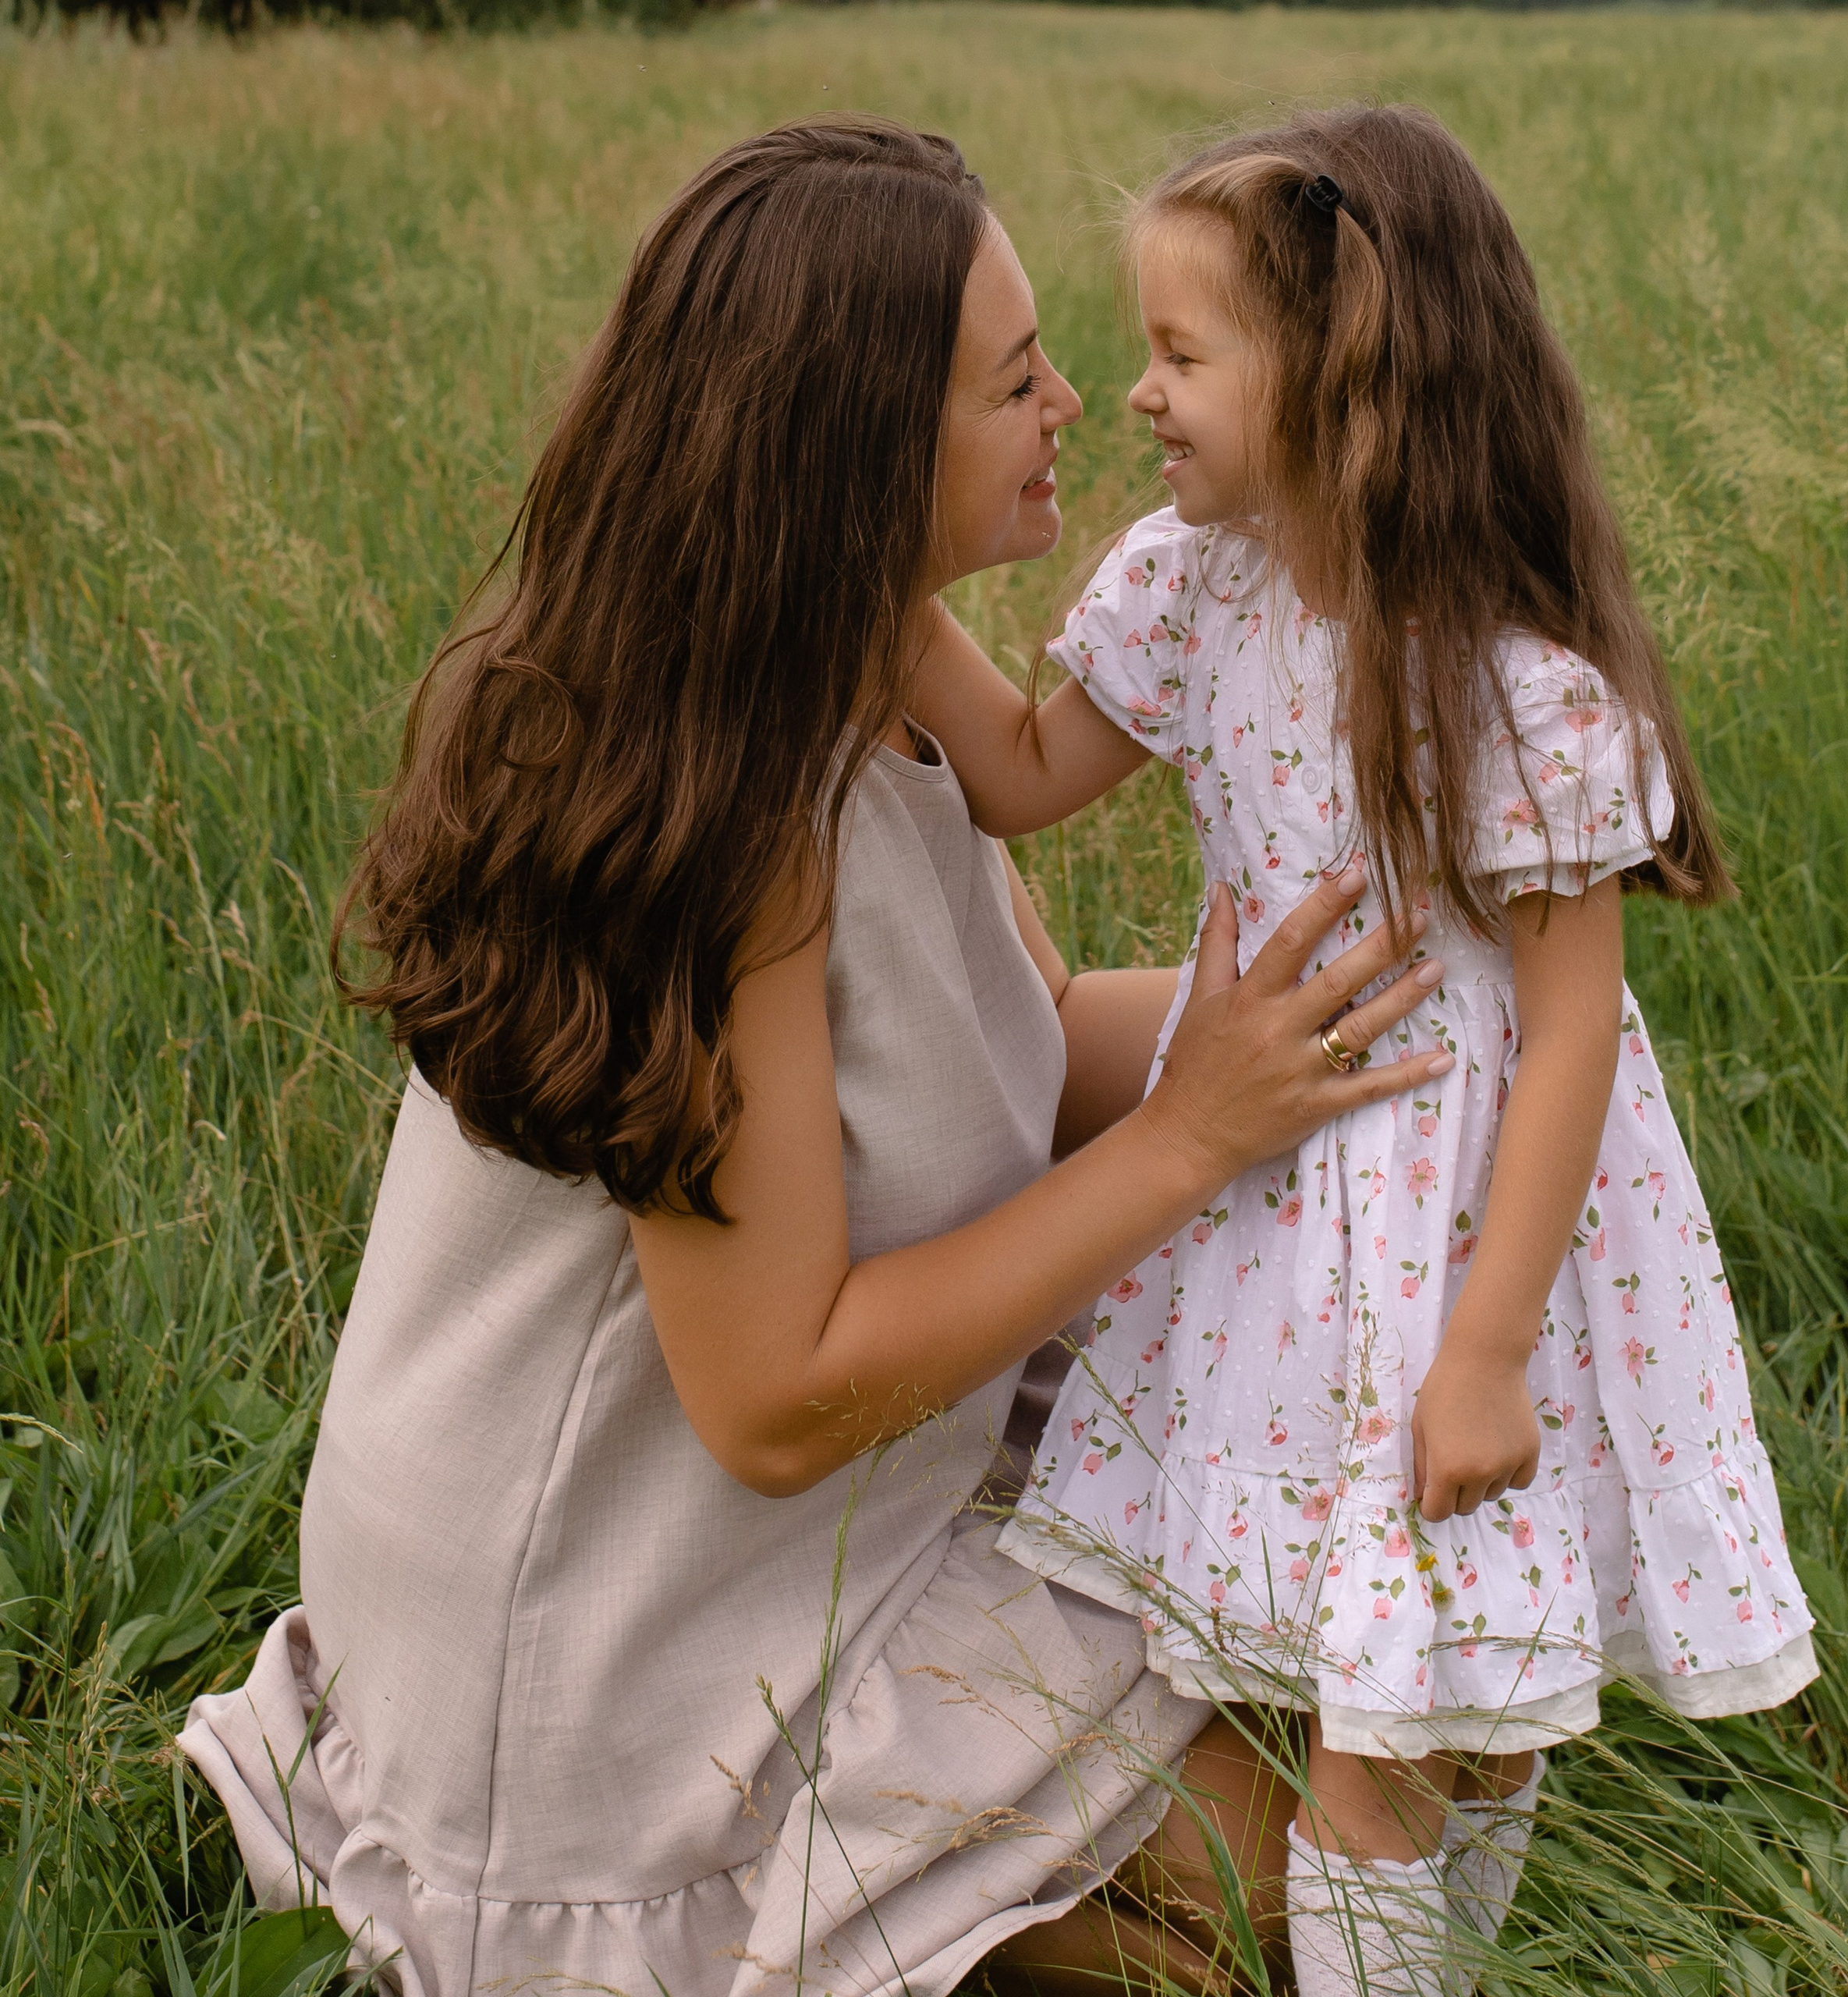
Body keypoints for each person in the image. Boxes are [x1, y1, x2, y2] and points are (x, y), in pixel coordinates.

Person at [177, 117, 1453, 1997]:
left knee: (1417, 1659)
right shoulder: (711, 819)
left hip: (768, 1536)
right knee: (1330, 1808)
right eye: (1015, 378)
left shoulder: (866, 661)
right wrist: (1191, 1136)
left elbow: (1013, 1050)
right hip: (611, 1668)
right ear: (853, 453)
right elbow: (772, 1399)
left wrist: (1346, 1032)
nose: (1077, 401)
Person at [910, 105, 1819, 1997]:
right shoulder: (1192, 585)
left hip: (1465, 1233)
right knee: (1377, 1704)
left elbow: (1570, 1034)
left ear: (1339, 374)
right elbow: (1015, 775)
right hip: (1273, 1215)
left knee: (1400, 1724)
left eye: (1179, 355)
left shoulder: (1502, 677)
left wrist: (1485, 1347)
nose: (1134, 397)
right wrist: (855, 562)